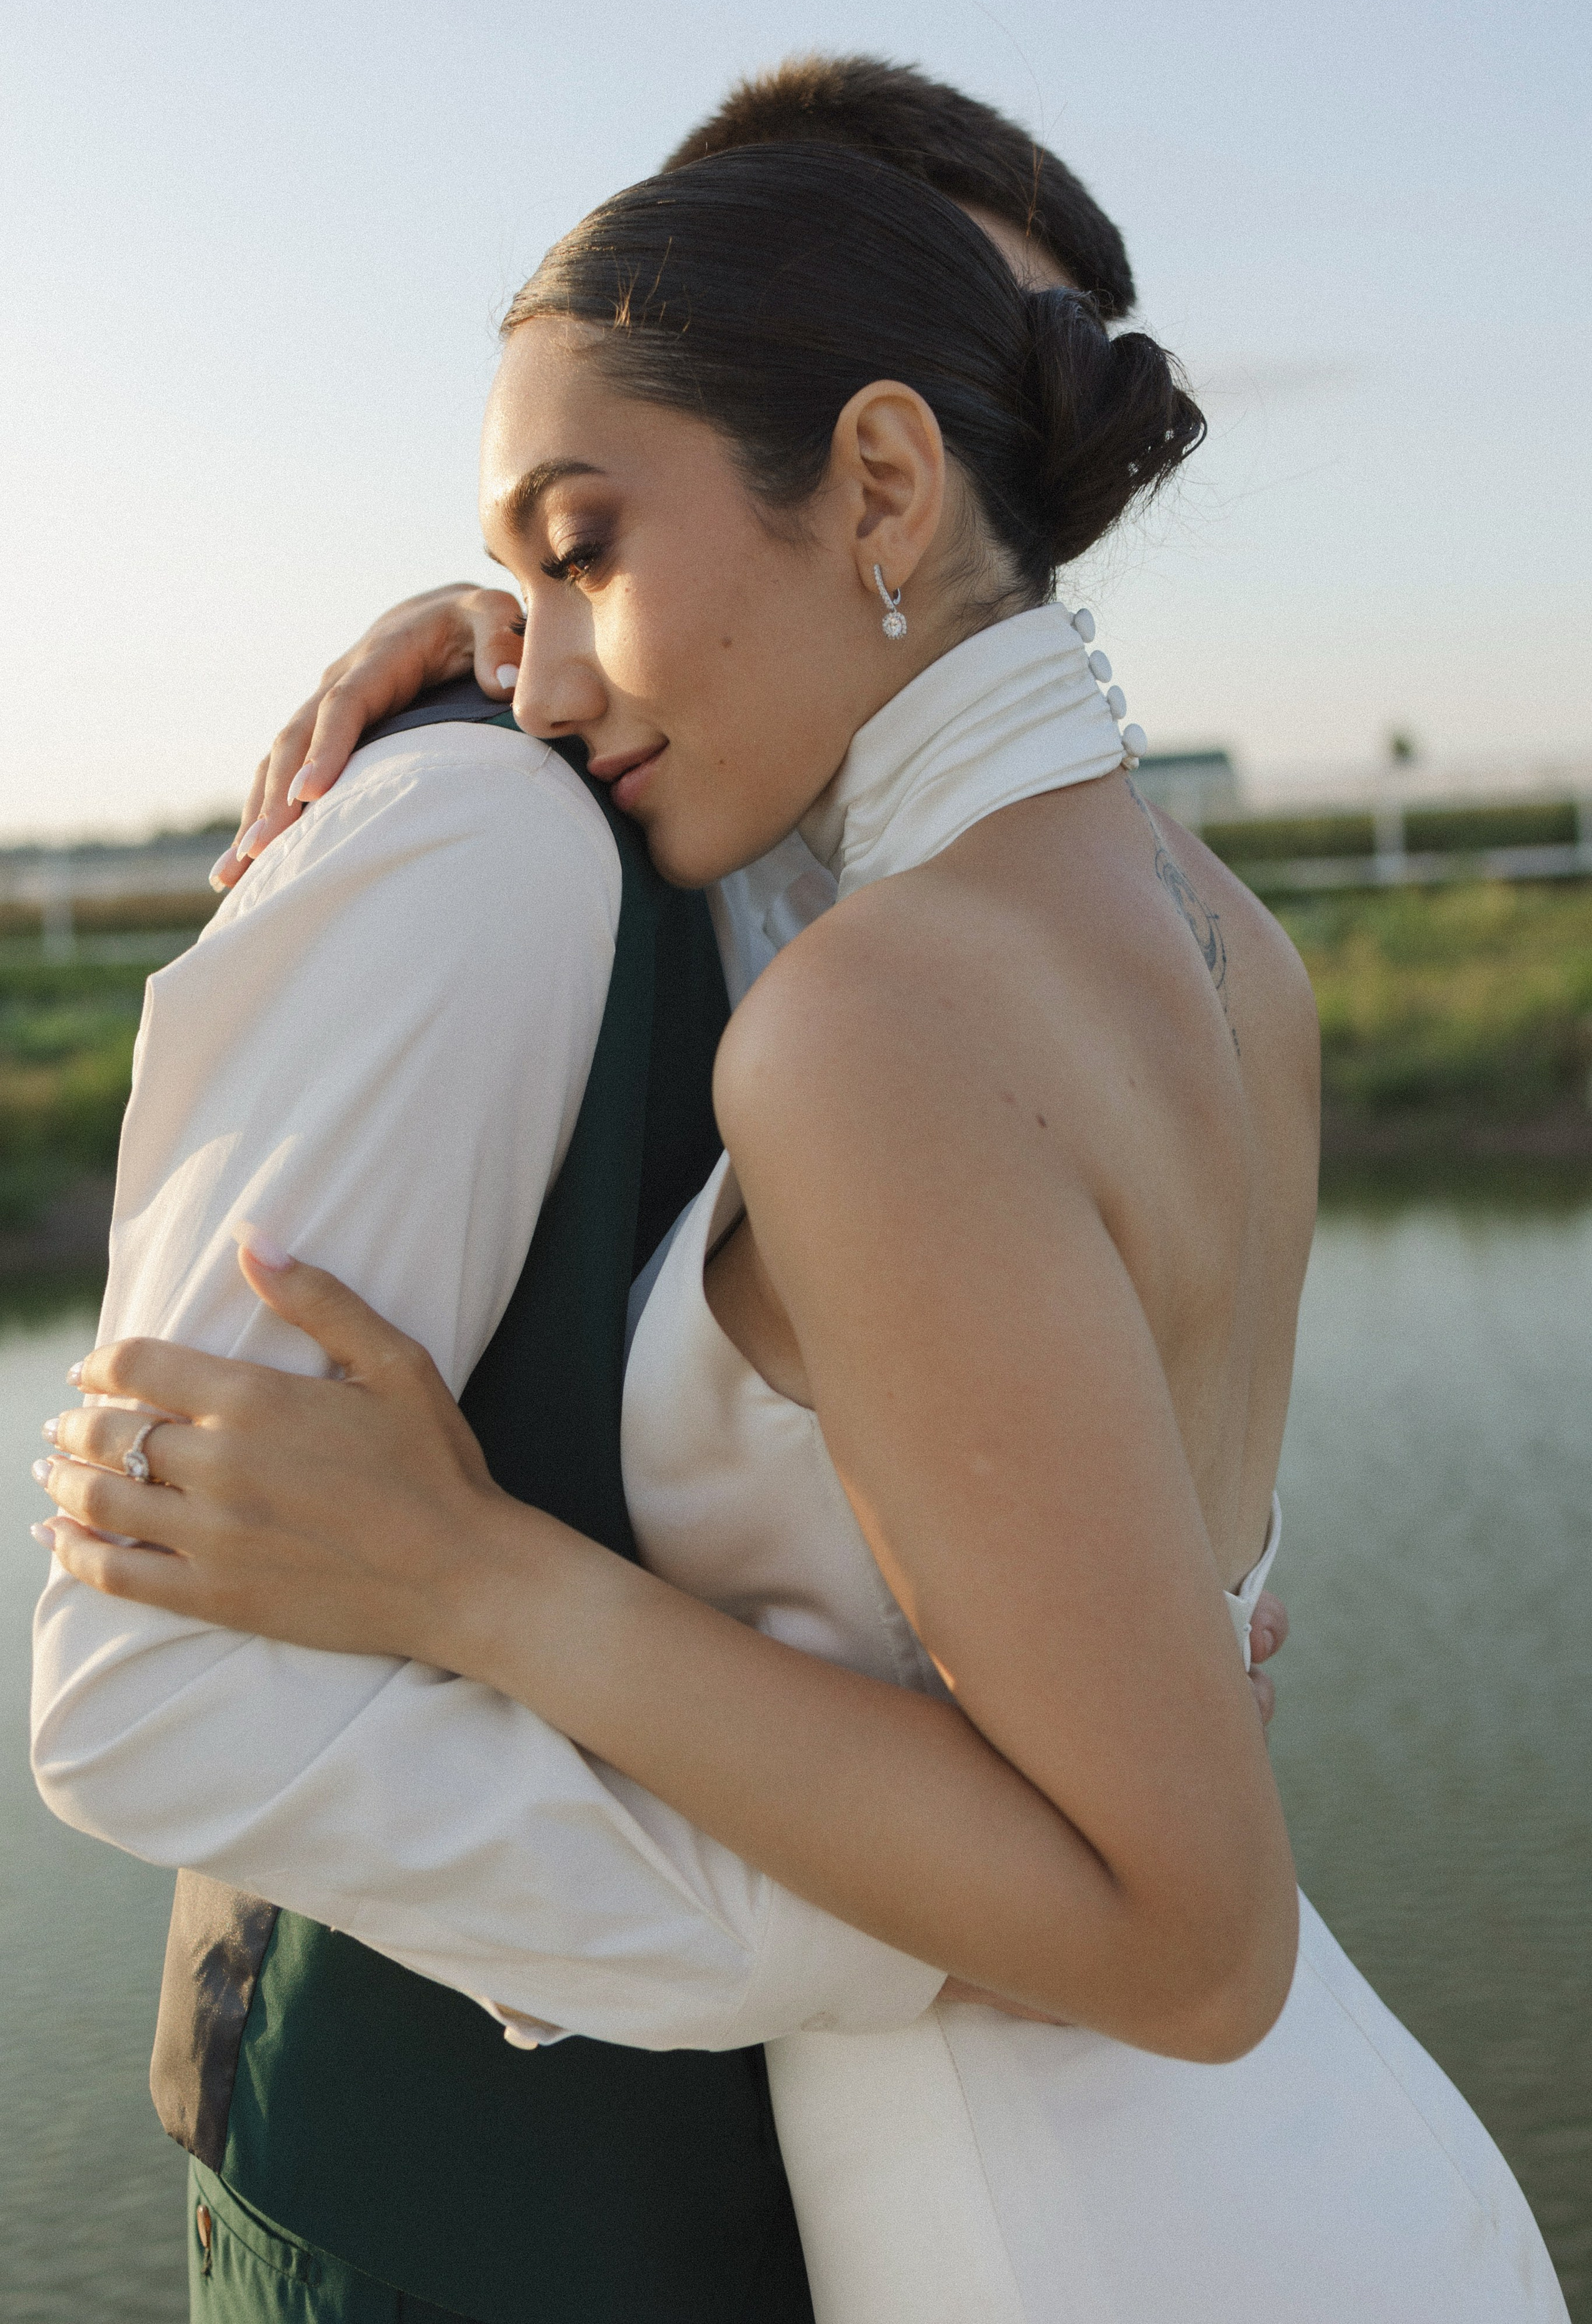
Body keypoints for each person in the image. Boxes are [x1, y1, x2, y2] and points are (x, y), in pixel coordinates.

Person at [37, 145, 1567, 2320]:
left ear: (881, 481)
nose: (544, 678)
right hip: (1350, 2170)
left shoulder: (874, 1025)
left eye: (582, 549)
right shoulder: (1232, 946)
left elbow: (1188, 1936)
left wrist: (478, 1574)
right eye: (521, 580)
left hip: (1069, 2232)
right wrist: (518, 624)